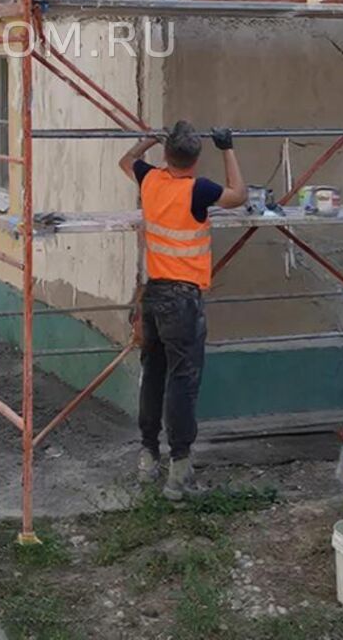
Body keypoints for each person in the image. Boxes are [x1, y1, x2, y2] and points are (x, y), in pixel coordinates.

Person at [118, 121, 248, 500]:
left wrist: (148, 139)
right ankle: (179, 473)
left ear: (166, 153)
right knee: (182, 383)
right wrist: (228, 148)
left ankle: (147, 458)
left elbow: (125, 161)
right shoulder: (198, 189)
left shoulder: (150, 179)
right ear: (196, 158)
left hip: (154, 295)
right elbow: (239, 195)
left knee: (153, 376)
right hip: (183, 300)